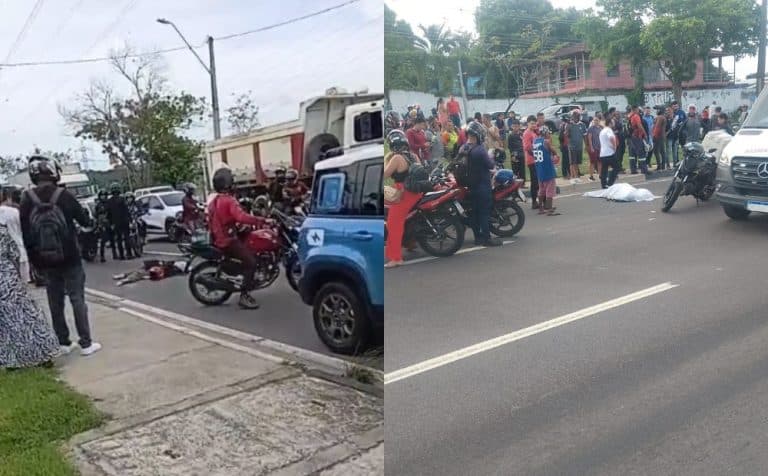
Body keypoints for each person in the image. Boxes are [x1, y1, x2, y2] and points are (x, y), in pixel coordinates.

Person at [20, 155, 102, 356]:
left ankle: (63, 342)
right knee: (77, 299)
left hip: (44, 260)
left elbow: (26, 233)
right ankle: (86, 343)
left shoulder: (27, 198)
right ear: (53, 172)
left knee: (54, 301)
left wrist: (34, 260)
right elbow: (84, 221)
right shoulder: (64, 195)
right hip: (70, 256)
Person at [0, 221, 61, 370]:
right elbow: (14, 254)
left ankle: (13, 360)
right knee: (28, 316)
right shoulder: (2, 232)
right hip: (8, 279)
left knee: (6, 323)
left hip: (6, 280)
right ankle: (43, 353)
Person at [208, 167, 270, 309]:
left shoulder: (215, 200)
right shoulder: (228, 200)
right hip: (227, 240)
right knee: (251, 262)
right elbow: (241, 216)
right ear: (227, 183)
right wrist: (261, 220)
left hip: (220, 236)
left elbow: (224, 219)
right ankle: (244, 295)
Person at [384, 130, 424, 268]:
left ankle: (396, 258)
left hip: (403, 193)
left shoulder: (396, 159)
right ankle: (410, 242)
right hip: (416, 192)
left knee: (393, 224)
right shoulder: (413, 156)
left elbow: (384, 174)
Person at [465, 121, 501, 247]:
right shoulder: (479, 150)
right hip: (482, 185)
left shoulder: (463, 147)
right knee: (484, 213)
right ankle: (487, 238)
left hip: (469, 185)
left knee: (474, 212)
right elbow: (490, 165)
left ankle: (478, 237)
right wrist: (490, 156)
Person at [0, 186, 30, 283]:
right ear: (7, 197)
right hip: (20, 251)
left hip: (3, 257)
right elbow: (23, 230)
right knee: (21, 285)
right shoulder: (14, 212)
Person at [533, 127, 561, 216]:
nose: (550, 134)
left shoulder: (535, 141)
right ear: (545, 133)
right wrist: (555, 156)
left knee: (541, 190)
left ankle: (541, 208)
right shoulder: (546, 141)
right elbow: (554, 151)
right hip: (547, 169)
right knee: (550, 191)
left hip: (539, 169)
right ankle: (549, 210)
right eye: (548, 133)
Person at [106, 182, 131, 260]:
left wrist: (111, 224)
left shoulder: (109, 201)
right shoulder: (122, 199)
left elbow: (108, 214)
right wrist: (129, 219)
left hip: (116, 223)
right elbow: (127, 211)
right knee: (127, 238)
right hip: (125, 222)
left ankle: (121, 255)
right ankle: (129, 254)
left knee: (119, 239)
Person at [523, 116, 540, 209]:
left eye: (535, 123)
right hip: (531, 160)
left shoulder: (533, 132)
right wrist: (536, 154)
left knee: (538, 181)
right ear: (528, 124)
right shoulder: (527, 133)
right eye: (532, 123)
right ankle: (534, 202)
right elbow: (527, 148)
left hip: (536, 159)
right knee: (534, 181)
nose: (534, 125)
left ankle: (538, 200)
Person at [566, 110, 587, 183]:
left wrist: (586, 146)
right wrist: (568, 127)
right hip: (572, 146)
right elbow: (566, 135)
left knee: (577, 162)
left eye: (577, 116)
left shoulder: (582, 125)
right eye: (574, 116)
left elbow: (584, 136)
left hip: (579, 146)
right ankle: (574, 177)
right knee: (572, 162)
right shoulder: (569, 125)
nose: (576, 117)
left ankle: (575, 176)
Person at [628, 105, 649, 175]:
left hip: (631, 137)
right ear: (636, 109)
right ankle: (644, 169)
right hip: (637, 136)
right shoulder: (636, 116)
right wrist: (645, 134)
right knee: (641, 153)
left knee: (632, 155)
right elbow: (639, 125)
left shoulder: (629, 116)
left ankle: (633, 169)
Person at [599, 119, 620, 189]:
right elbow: (611, 137)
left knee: (604, 169)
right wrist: (614, 147)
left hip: (602, 153)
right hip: (609, 153)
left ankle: (603, 184)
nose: (614, 124)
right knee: (616, 167)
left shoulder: (602, 131)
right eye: (613, 122)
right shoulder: (609, 130)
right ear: (610, 123)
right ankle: (610, 183)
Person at [667, 101, 687, 167]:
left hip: (678, 134)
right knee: (669, 151)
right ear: (672, 106)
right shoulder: (669, 112)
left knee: (676, 150)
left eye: (676, 106)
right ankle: (668, 164)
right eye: (674, 106)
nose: (675, 107)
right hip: (670, 135)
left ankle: (676, 163)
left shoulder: (681, 112)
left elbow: (685, 121)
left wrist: (681, 125)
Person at [94, 189, 111, 262]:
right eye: (102, 195)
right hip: (102, 224)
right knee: (102, 241)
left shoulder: (109, 203)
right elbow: (96, 215)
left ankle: (115, 254)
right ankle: (102, 256)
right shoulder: (98, 205)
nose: (103, 197)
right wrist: (99, 224)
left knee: (113, 238)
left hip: (110, 222)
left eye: (104, 195)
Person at [507, 119, 525, 183]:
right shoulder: (510, 136)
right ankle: (515, 183)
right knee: (515, 170)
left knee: (522, 169)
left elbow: (523, 143)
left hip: (521, 154)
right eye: (514, 126)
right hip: (515, 155)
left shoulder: (521, 134)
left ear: (519, 126)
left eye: (517, 126)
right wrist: (513, 155)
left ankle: (523, 183)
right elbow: (510, 147)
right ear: (512, 127)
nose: (515, 128)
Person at [558, 115, 571, 180]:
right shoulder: (564, 125)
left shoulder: (562, 125)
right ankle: (566, 174)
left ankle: (567, 173)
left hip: (563, 144)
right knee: (566, 160)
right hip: (564, 144)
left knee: (566, 160)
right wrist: (563, 143)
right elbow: (560, 137)